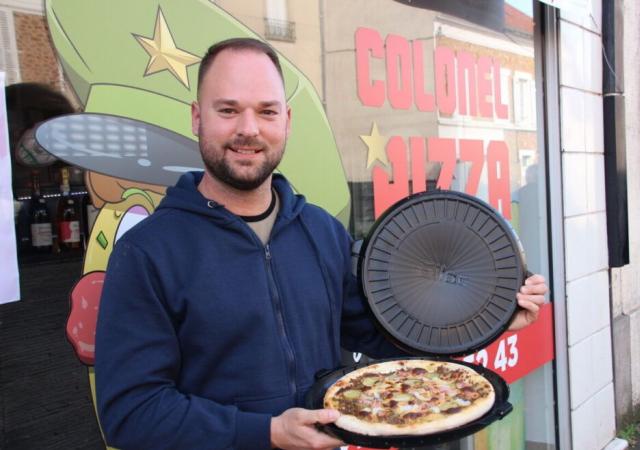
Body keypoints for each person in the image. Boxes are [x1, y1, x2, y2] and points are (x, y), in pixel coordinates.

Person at [94, 38, 548, 450]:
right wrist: (266, 432)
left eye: (267, 111)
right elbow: (131, 414)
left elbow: (385, 337)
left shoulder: (320, 231)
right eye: (228, 110)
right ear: (197, 117)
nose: (249, 129)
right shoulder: (148, 252)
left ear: (287, 121)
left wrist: (490, 319)